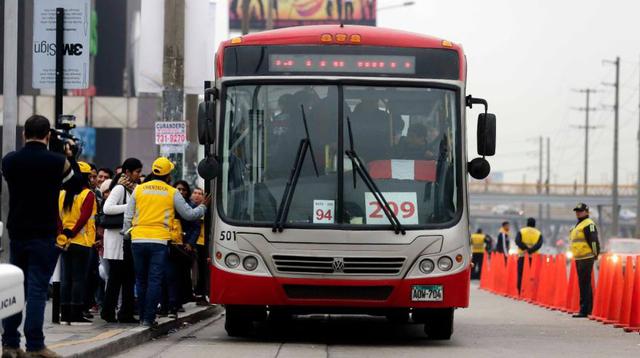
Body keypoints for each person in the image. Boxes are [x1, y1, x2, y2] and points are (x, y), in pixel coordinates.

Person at [1, 115, 78, 358]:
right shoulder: (57, 162)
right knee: (36, 289)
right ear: (48, 135)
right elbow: (75, 185)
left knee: (14, 289)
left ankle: (10, 344)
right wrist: (66, 154)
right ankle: (35, 345)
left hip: (17, 232)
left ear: (24, 134)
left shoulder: (10, 161)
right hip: (44, 233)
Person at [123, 157, 210, 327]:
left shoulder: (139, 189)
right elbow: (189, 215)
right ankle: (149, 318)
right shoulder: (172, 192)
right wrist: (203, 207)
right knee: (155, 280)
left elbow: (128, 215)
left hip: (138, 239)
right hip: (159, 241)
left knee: (140, 280)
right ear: (168, 174)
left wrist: (127, 234)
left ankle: (142, 316)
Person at [101, 158, 143, 323]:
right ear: (127, 172)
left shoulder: (134, 189)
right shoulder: (120, 188)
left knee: (126, 278)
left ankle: (123, 312)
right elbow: (107, 208)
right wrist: (130, 207)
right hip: (116, 240)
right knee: (117, 278)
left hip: (126, 239)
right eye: (137, 172)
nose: (139, 175)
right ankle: (110, 312)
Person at [58, 161, 97, 326]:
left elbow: (57, 218)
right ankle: (75, 314)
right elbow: (84, 217)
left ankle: (65, 314)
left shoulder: (61, 193)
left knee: (66, 278)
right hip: (82, 242)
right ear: (85, 177)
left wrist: (63, 234)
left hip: (64, 242)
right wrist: (72, 233)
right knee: (78, 279)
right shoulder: (87, 194)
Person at [570, 203, 600, 318]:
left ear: (587, 212)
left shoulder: (588, 224)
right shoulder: (579, 224)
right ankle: (587, 309)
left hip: (586, 257)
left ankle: (584, 309)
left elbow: (593, 241)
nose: (578, 213)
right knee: (584, 284)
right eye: (577, 211)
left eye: (580, 211)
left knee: (584, 284)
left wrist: (596, 253)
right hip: (580, 258)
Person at [190, 187, 210, 305]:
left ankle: (201, 293)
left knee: (202, 269)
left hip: (203, 241)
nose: (197, 195)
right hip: (192, 241)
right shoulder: (188, 208)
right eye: (195, 193)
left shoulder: (206, 209)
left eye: (200, 193)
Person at [515, 218, 543, 292]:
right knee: (533, 275)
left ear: (527, 223)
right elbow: (539, 245)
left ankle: (520, 290)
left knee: (521, 274)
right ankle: (532, 291)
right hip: (534, 258)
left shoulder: (521, 231)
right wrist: (531, 250)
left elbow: (517, 241)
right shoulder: (538, 233)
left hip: (522, 256)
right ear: (534, 224)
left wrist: (525, 249)